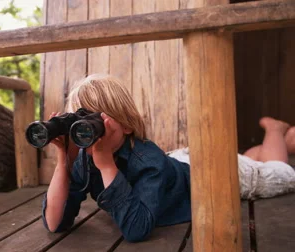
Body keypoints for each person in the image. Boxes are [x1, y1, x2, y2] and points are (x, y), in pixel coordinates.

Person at [41, 73, 295, 243]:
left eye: (98, 123)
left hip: (206, 173)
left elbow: (136, 229)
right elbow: (55, 223)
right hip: (176, 161)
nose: (90, 133)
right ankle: (260, 151)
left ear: (128, 126)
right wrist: (65, 157)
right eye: (81, 123)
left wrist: (106, 164)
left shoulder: (146, 161)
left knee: (282, 174)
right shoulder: (86, 157)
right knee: (252, 161)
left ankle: (275, 130)